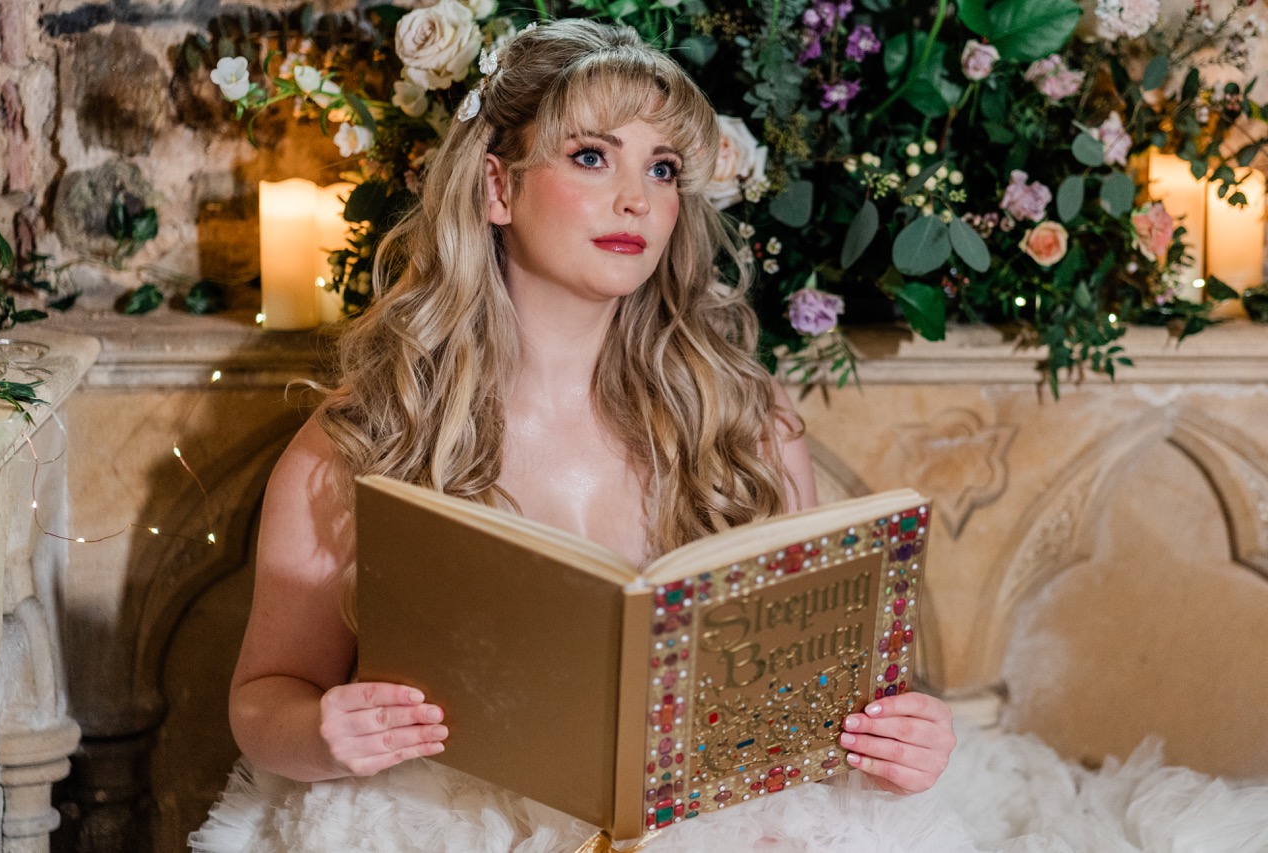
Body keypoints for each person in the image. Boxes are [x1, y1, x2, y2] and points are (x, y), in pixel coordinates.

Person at [192, 19, 956, 852]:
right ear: (497, 188)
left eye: (661, 169)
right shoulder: (364, 435)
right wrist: (324, 731)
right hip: (450, 822)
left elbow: (810, 702)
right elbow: (264, 699)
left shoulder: (745, 418)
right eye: (592, 156)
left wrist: (898, 739)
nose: (637, 198)